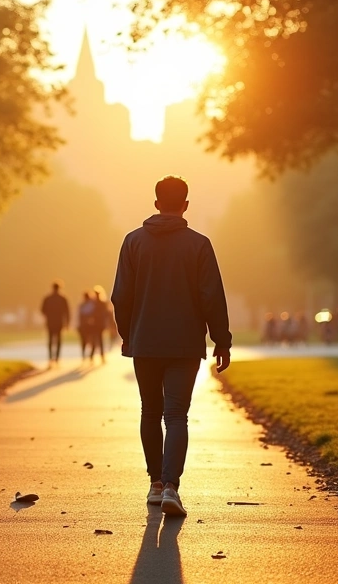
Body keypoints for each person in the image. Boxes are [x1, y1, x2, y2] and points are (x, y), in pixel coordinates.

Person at [111, 176, 231, 518]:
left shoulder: (133, 242)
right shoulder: (199, 245)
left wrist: (128, 333)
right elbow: (212, 297)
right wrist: (221, 340)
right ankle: (172, 486)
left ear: (155, 203)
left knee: (150, 412)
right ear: (186, 205)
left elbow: (121, 296)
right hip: (184, 343)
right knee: (176, 415)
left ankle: (155, 484)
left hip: (145, 341)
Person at [41, 281, 71, 364]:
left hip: (50, 322)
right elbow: (67, 312)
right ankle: (57, 358)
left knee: (50, 340)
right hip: (59, 322)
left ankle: (50, 357)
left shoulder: (47, 298)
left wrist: (49, 315)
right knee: (58, 340)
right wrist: (67, 323)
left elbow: (43, 310)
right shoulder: (63, 298)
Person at [92, 285, 111, 364]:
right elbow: (107, 314)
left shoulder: (94, 303)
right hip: (100, 324)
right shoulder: (103, 303)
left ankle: (92, 356)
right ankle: (101, 356)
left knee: (96, 340)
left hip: (96, 324)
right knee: (99, 340)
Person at [77, 291, 98, 361]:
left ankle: (84, 355)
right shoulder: (92, 305)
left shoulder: (82, 306)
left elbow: (80, 317)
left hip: (84, 326)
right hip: (90, 326)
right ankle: (90, 355)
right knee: (92, 342)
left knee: (84, 341)